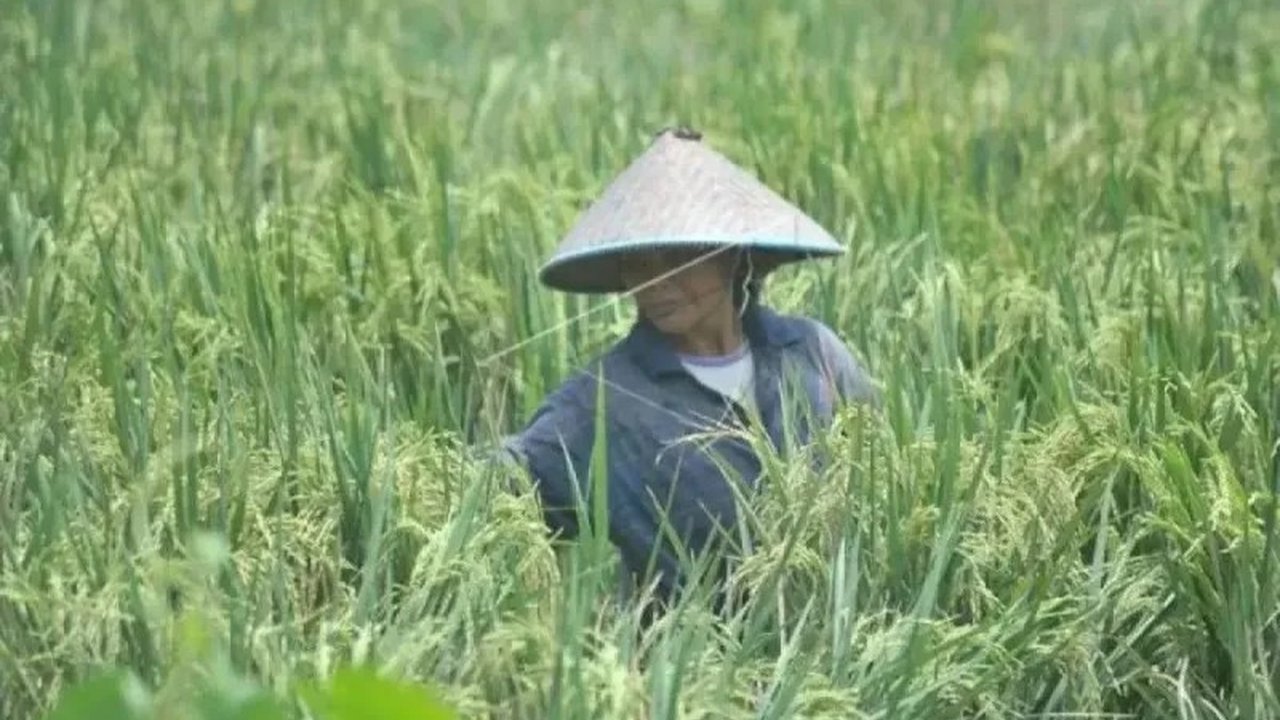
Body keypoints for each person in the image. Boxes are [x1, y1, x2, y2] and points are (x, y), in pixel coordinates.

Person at [497, 127, 879, 621]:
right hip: (700, 677)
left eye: (678, 257)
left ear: (732, 253)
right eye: (638, 262)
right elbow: (507, 483)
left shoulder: (812, 352)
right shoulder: (604, 402)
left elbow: (885, 475)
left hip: (843, 650)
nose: (657, 283)